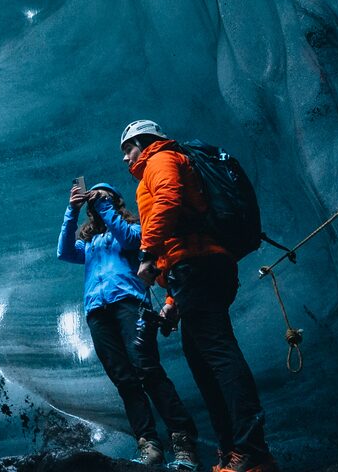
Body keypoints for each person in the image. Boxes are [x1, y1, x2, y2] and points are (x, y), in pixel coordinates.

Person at [119, 119, 277, 472]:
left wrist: (146, 254)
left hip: (198, 266)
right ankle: (234, 451)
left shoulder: (160, 159)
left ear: (145, 141)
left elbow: (169, 201)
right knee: (204, 359)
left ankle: (250, 450)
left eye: (128, 147)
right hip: (195, 270)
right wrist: (173, 302)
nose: (126, 157)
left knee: (217, 353)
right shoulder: (161, 163)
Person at [59, 181, 200, 469]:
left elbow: (130, 241)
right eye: (93, 198)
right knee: (124, 379)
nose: (96, 200)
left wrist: (104, 204)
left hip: (130, 304)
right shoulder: (90, 244)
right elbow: (64, 251)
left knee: (146, 370)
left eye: (104, 195)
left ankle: (184, 442)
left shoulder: (136, 230)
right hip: (97, 311)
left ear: (115, 201)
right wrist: (71, 210)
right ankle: (149, 446)